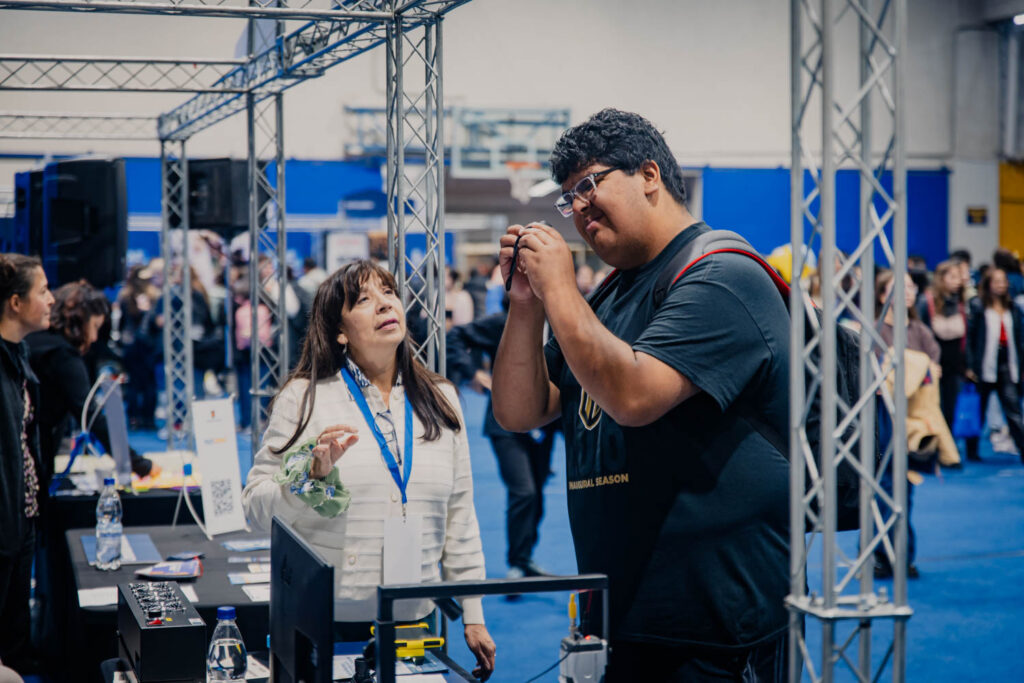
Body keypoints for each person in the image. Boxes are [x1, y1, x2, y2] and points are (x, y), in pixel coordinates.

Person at [491, 109, 790, 681]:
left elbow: (632, 397)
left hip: (717, 629)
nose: (577, 208)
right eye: (567, 197)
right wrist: (527, 304)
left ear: (649, 174)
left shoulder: (722, 275)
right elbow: (520, 410)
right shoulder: (610, 295)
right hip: (620, 613)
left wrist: (560, 284)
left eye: (588, 184)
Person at [241, 260, 496, 680]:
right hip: (327, 624)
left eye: (388, 292)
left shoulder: (442, 398)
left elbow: (460, 514)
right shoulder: (304, 397)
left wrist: (473, 612)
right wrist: (309, 477)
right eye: (363, 299)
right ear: (340, 331)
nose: (383, 304)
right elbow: (254, 508)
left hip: (416, 620)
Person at [446, 307, 556, 582]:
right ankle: (516, 564)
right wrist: (473, 374)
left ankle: (524, 557)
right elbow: (455, 336)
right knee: (525, 491)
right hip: (504, 423)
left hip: (545, 422)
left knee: (538, 492)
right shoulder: (505, 322)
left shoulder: (559, 320)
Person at [26, 280, 154, 481]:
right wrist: (140, 464)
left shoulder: (36, 341)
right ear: (80, 320)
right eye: (94, 326)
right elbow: (91, 416)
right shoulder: (62, 355)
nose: (94, 337)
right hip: (33, 454)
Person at [0, 254, 53, 673]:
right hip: (3, 522)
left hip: (23, 517)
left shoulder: (20, 358)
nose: (51, 299)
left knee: (15, 635)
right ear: (15, 303)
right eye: (42, 291)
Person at [964, 267, 1024, 463]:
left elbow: (1019, 339)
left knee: (1013, 410)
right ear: (988, 283)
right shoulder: (978, 306)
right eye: (996, 280)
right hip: (983, 365)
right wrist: (970, 365)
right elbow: (970, 338)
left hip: (1008, 364)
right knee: (977, 409)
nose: (1001, 284)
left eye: (1003, 280)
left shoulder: (1013, 308)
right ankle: (971, 451)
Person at [918, 260, 968, 435]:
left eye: (959, 277)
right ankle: (934, 448)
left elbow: (966, 337)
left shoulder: (961, 303)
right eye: (952, 277)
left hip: (955, 366)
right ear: (941, 278)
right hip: (933, 365)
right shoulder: (927, 302)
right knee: (933, 408)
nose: (958, 281)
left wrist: (967, 365)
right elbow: (920, 336)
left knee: (951, 408)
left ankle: (948, 446)